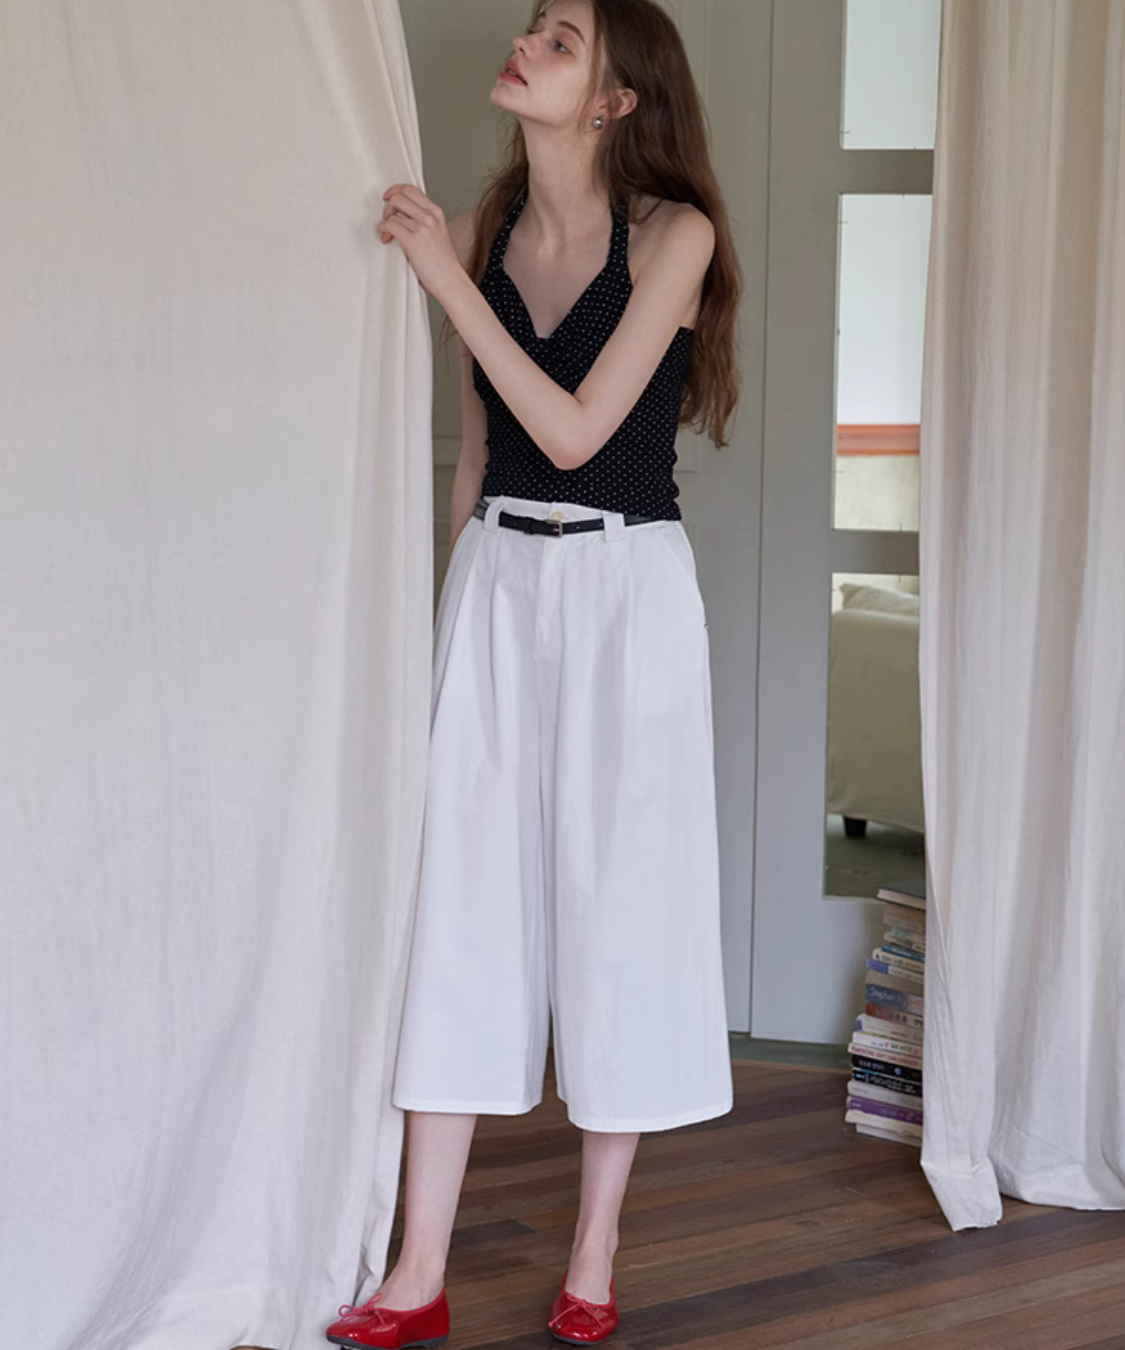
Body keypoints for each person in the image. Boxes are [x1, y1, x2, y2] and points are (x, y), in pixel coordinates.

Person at [326, 1, 741, 1346]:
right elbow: (479, 444)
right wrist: (440, 611)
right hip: (497, 579)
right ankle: (418, 1268)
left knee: (621, 904)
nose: (527, 44)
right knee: (458, 902)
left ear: (616, 99)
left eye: (561, 41)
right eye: (534, 27)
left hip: (626, 593)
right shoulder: (492, 228)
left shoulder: (676, 238)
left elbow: (571, 432)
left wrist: (444, 277)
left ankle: (594, 1246)